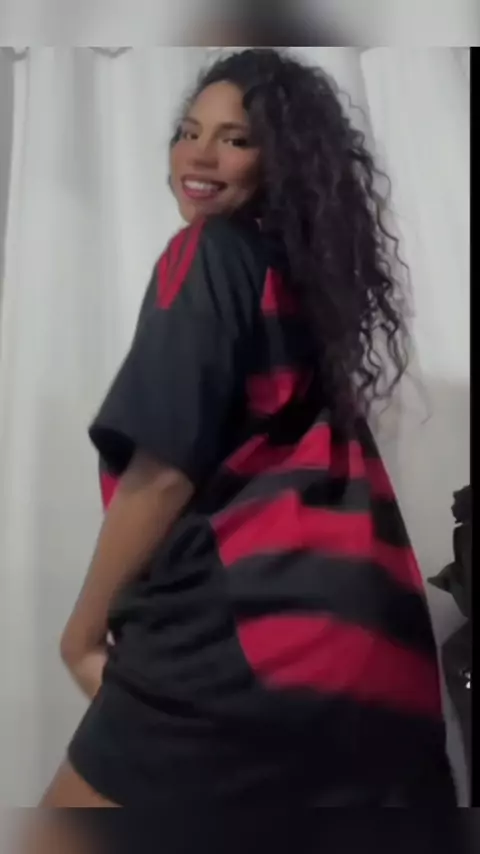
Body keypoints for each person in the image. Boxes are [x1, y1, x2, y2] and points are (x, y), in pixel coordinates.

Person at [41, 48, 456, 817]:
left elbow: (163, 471)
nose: (199, 154)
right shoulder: (305, 292)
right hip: (380, 663)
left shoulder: (209, 252)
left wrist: (80, 633)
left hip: (249, 650)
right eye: (188, 131)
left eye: (234, 139)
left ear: (278, 161)